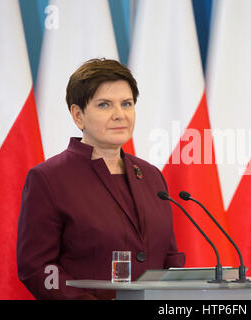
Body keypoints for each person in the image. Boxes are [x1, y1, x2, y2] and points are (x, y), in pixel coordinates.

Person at [17, 58, 185, 300]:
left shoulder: (151, 176)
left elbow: (169, 257)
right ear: (78, 116)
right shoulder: (48, 179)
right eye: (104, 105)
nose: (119, 115)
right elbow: (39, 268)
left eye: (126, 104)